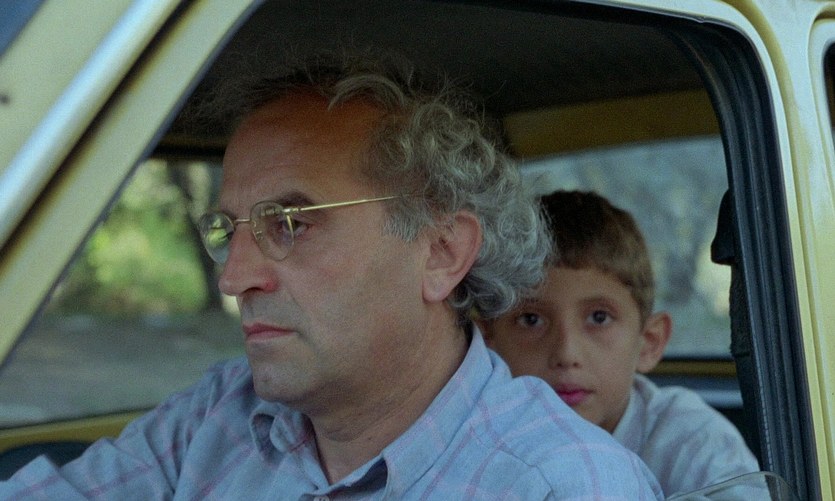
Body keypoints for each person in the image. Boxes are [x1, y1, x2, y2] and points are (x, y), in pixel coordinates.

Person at [0, 55, 662, 499]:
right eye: (229, 229)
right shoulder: (219, 414)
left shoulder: (561, 485)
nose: (234, 277)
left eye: (291, 222)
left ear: (440, 252)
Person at [479, 189, 760, 497]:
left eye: (599, 318)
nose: (567, 353)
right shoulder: (477, 443)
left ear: (649, 342)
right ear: (487, 342)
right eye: (531, 320)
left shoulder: (692, 442)